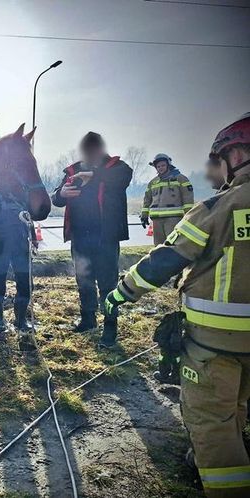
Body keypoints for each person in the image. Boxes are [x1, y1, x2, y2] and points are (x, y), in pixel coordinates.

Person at [105, 113, 250, 498]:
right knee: (236, 402)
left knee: (211, 423)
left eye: (220, 159)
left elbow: (166, 259)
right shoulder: (157, 184)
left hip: (216, 344)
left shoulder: (221, 206)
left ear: (236, 154)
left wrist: (121, 292)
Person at [51, 132, 132, 347]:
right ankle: (88, 320)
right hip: (80, 236)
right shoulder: (73, 169)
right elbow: (56, 197)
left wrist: (93, 176)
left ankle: (110, 327)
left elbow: (122, 179)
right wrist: (62, 193)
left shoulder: (117, 168)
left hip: (106, 237)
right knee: (84, 281)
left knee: (108, 283)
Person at [0, 190, 31, 333]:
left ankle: (21, 319)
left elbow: (30, 219)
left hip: (21, 244)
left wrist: (33, 238)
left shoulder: (23, 193)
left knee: (24, 282)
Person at [141, 153, 194, 245]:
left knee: (172, 246)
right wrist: (144, 215)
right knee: (158, 247)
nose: (160, 168)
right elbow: (147, 200)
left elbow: (187, 198)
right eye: (158, 166)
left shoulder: (180, 179)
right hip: (156, 220)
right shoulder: (153, 182)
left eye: (163, 165)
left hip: (174, 219)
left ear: (168, 165)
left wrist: (188, 216)